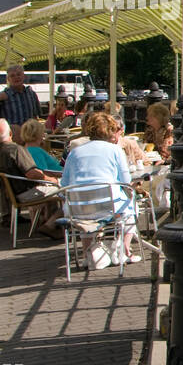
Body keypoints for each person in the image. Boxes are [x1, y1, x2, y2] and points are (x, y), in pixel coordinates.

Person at [61, 111, 138, 267]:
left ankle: (86, 254)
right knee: (133, 207)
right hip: (110, 207)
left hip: (77, 210)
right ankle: (124, 250)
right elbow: (126, 181)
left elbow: (64, 184)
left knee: (85, 212)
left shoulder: (74, 152)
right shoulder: (115, 150)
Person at [0, 119, 64, 238]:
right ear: (10, 134)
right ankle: (51, 224)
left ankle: (46, 222)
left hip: (14, 193)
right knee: (69, 191)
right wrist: (50, 179)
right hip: (27, 192)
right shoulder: (16, 150)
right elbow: (32, 173)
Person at [0, 64, 40, 143]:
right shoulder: (2, 96)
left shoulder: (31, 94)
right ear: (8, 79)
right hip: (10, 141)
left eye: (18, 74)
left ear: (24, 76)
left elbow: (35, 117)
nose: (16, 78)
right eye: (12, 76)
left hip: (29, 139)